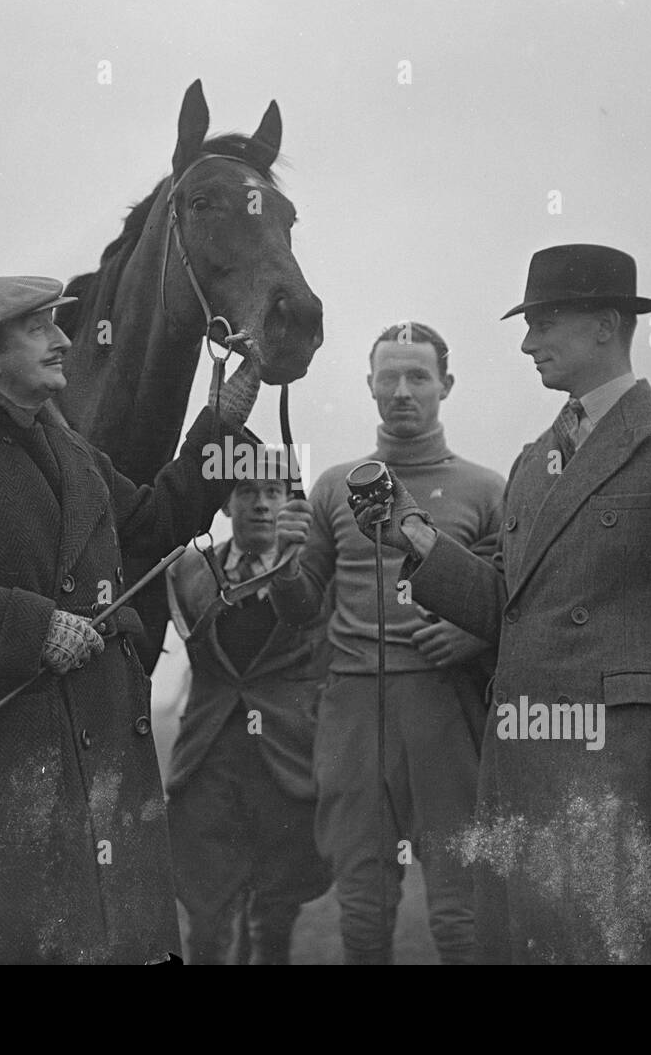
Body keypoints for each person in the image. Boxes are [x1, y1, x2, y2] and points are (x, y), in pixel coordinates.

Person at [359, 244, 651, 963]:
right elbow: (513, 612)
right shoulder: (533, 459)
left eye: (545, 322)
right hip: (521, 768)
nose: (526, 342)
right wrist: (413, 536)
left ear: (607, 325)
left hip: (626, 773)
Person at [0, 275, 263, 965]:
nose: (65, 340)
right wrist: (31, 626)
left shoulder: (74, 452)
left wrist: (220, 419)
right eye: (40, 327)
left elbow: (155, 523)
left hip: (98, 752)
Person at [271, 322, 504, 965]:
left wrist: (472, 632)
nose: (403, 391)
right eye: (389, 377)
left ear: (445, 386)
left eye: (418, 376)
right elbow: (299, 608)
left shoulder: (488, 490)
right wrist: (282, 558)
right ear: (369, 385)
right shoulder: (331, 486)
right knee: (364, 908)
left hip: (446, 710)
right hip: (351, 710)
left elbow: (509, 600)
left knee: (460, 910)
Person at [165, 460, 333, 964]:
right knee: (206, 914)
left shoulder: (314, 570)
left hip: (287, 762)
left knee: (274, 916)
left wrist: (288, 561)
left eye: (273, 491)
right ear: (225, 502)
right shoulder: (188, 569)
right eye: (245, 490)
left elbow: (305, 609)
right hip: (208, 759)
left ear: (289, 502)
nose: (260, 502)